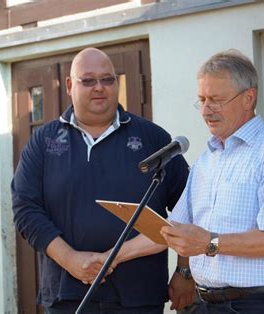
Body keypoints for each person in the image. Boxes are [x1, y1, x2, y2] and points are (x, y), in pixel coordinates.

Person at [11, 47, 189, 313]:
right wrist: (70, 259)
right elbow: (25, 209)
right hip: (67, 294)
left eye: (107, 79)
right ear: (70, 85)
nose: (99, 88)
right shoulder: (44, 142)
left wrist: (184, 271)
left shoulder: (154, 140)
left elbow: (191, 208)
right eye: (88, 80)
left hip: (139, 296)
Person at [160, 49, 264, 313]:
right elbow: (185, 226)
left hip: (258, 305)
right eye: (202, 100)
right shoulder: (207, 160)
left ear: (248, 98)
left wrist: (210, 243)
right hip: (204, 303)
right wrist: (183, 271)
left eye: (216, 100)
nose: (206, 110)